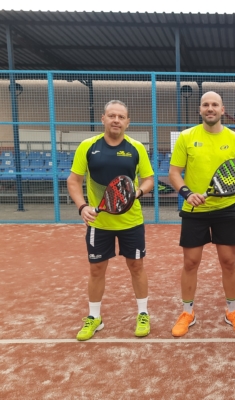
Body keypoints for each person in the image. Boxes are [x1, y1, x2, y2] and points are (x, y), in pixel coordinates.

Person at [67, 100, 154, 341]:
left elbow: (148, 179)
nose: (116, 120)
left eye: (121, 117)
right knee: (96, 269)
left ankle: (143, 314)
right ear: (103, 119)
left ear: (128, 122)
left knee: (136, 266)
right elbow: (73, 180)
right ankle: (94, 317)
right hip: (99, 223)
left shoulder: (136, 148)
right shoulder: (88, 146)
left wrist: (136, 193)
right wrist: (83, 206)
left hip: (131, 221)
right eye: (112, 116)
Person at [168, 91, 235, 337]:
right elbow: (174, 173)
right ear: (200, 109)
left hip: (225, 210)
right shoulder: (186, 137)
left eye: (215, 104)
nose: (210, 108)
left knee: (228, 262)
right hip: (194, 210)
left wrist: (227, 188)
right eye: (205, 104)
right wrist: (187, 193)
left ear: (222, 110)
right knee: (190, 262)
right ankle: (187, 312)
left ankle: (232, 311)